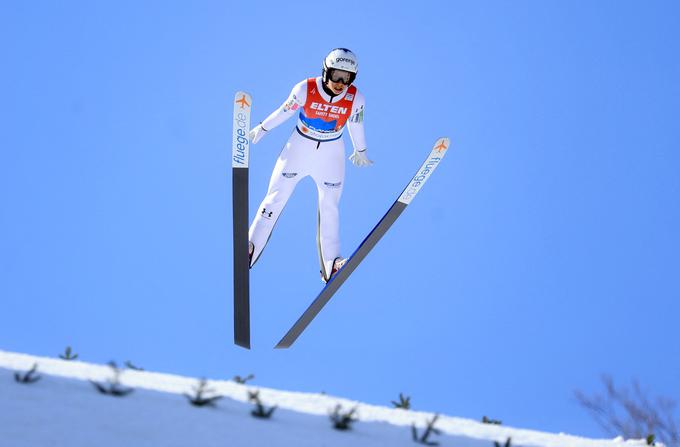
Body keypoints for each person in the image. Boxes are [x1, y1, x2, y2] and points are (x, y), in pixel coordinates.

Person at [247, 48, 372, 282]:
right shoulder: (305, 88)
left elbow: (356, 125)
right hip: (298, 148)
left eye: (347, 78)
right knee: (275, 197)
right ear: (326, 72)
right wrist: (263, 127)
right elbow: (285, 110)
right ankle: (251, 247)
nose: (340, 83)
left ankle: (332, 263)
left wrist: (361, 150)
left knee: (330, 206)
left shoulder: (356, 98)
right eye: (336, 75)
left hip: (331, 153)